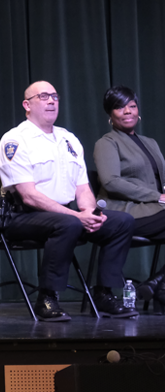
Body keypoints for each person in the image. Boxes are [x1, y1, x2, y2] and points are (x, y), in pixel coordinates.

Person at [0, 81, 137, 321]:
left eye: (54, 96)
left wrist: (90, 213)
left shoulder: (68, 139)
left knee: (121, 221)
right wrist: (76, 217)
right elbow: (28, 195)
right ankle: (47, 298)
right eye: (43, 96)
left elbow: (82, 187)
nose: (51, 101)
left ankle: (103, 293)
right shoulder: (15, 140)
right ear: (26, 105)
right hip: (23, 216)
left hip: (65, 215)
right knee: (68, 224)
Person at [94, 85, 165, 311]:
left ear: (138, 111)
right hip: (125, 211)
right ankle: (159, 287)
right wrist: (158, 196)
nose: (127, 111)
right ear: (110, 114)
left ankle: (158, 284)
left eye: (132, 106)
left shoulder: (150, 142)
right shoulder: (107, 142)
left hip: (155, 210)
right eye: (119, 107)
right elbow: (111, 182)